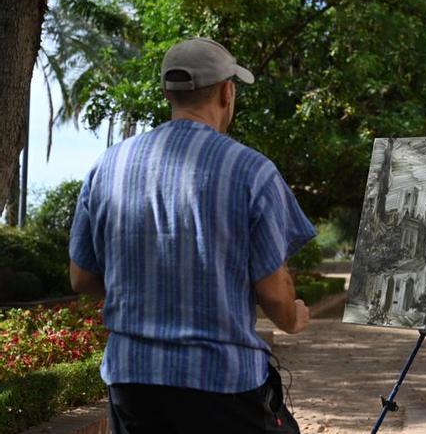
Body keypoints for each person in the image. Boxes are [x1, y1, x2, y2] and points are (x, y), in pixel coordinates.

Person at [68, 37, 316, 434]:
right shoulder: (252, 171)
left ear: (168, 93)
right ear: (226, 91)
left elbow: (81, 278)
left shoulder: (107, 166)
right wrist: (293, 318)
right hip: (222, 383)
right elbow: (273, 293)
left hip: (132, 381)